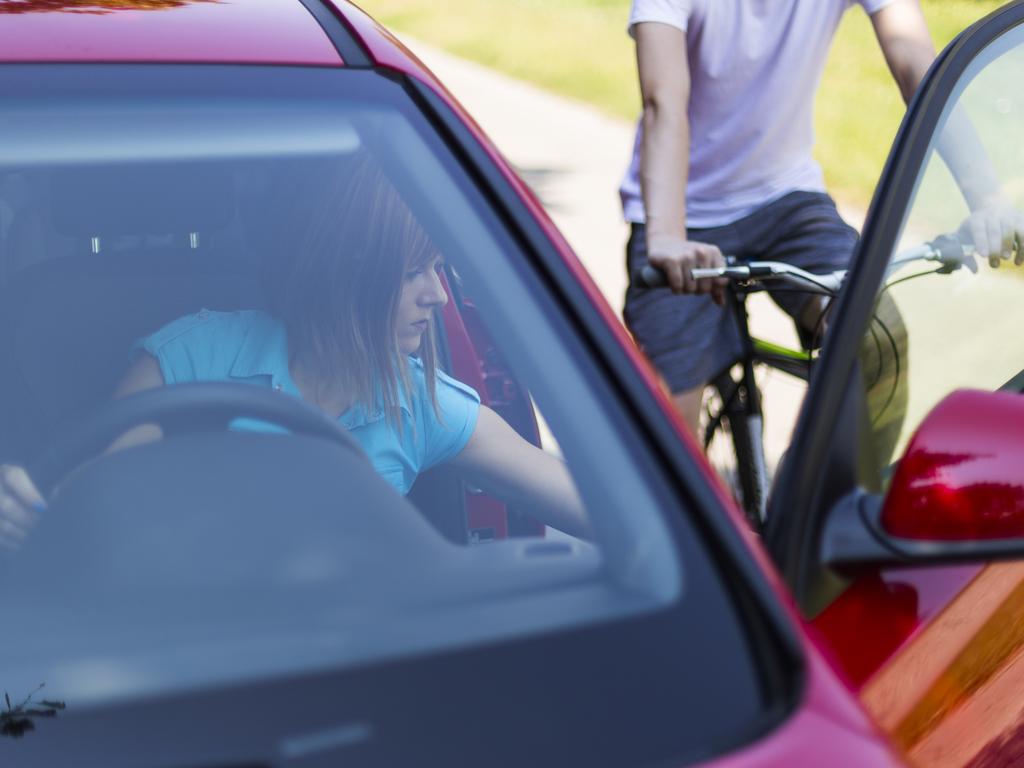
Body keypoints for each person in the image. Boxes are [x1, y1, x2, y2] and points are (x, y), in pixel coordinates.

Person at [0, 154, 590, 547]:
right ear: (350, 270)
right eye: (414, 272)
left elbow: (590, 505)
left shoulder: (419, 405)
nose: (438, 296)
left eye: (439, 269)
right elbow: (90, 510)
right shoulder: (192, 356)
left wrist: (670, 511)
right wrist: (27, 510)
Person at [621, 0, 1024, 439]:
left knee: (873, 337)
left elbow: (916, 64)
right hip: (680, 214)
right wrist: (666, 236)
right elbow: (663, 102)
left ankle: (808, 500)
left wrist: (986, 199)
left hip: (786, 198)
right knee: (667, 437)